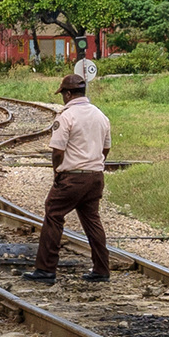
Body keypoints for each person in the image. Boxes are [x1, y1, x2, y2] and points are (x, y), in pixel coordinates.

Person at [23, 73, 111, 285]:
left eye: (63, 93)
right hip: (95, 176)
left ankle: (45, 269)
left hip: (72, 177)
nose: (62, 97)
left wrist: (58, 172)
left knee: (53, 214)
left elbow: (57, 151)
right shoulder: (101, 115)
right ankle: (101, 269)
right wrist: (93, 164)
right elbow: (106, 148)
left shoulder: (66, 116)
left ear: (69, 93)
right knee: (92, 221)